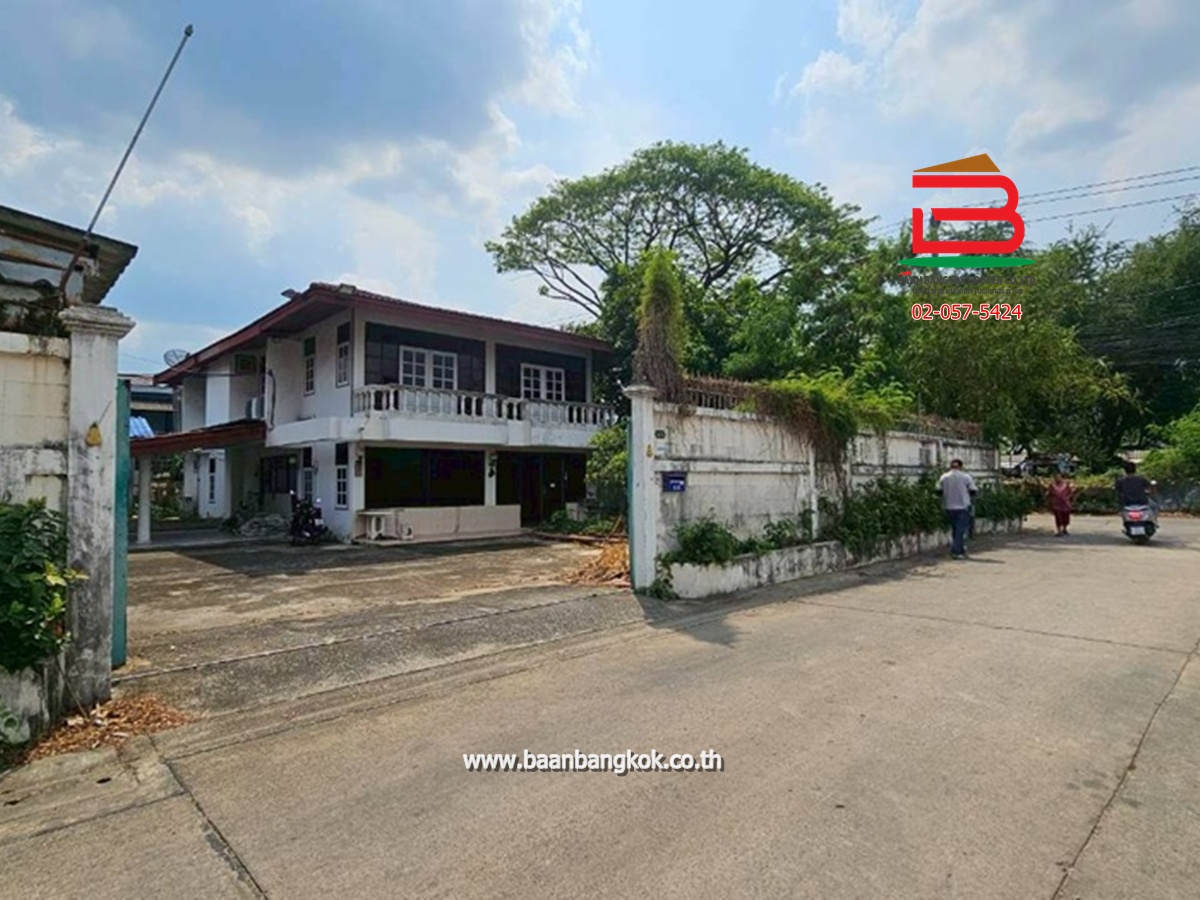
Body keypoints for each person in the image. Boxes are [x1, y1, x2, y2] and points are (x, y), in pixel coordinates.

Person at [937, 458, 977, 559]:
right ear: (961, 466)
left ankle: (961, 549)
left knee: (955, 529)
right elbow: (973, 491)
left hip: (949, 507)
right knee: (960, 530)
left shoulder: (944, 477)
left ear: (951, 466)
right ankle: (955, 551)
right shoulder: (965, 477)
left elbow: (938, 490)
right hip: (963, 506)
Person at [1049, 472, 1074, 536]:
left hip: (1065, 504)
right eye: (1056, 477)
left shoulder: (1066, 485)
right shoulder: (1052, 486)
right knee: (1058, 517)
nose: (1058, 479)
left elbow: (1070, 493)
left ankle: (1064, 529)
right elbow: (1050, 493)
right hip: (1056, 504)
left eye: (1059, 477)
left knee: (1065, 517)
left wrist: (1067, 498)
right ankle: (1059, 530)